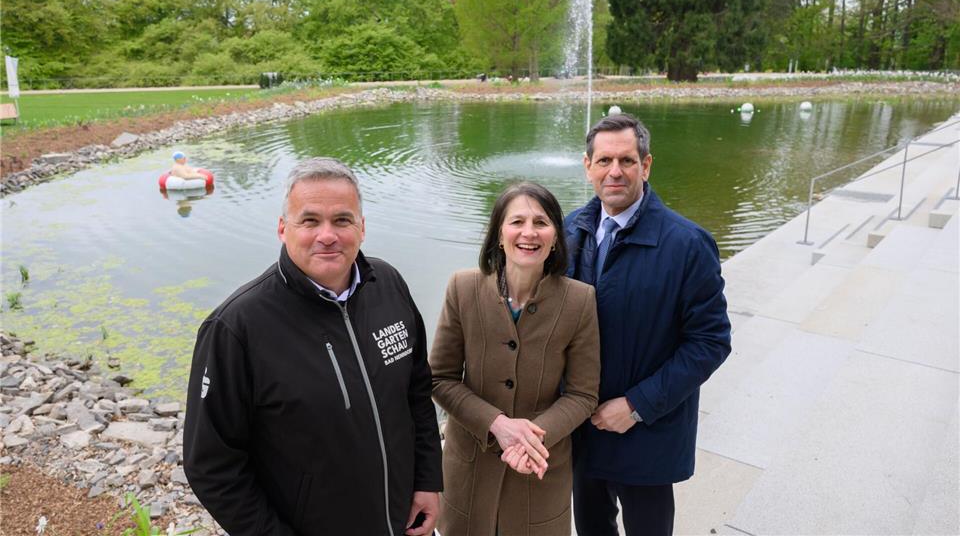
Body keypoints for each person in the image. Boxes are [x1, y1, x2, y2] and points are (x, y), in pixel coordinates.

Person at [183, 157, 442, 536]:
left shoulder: (388, 285)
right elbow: (211, 465)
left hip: (404, 521)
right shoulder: (237, 327)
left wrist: (427, 479)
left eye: (342, 220)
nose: (327, 235)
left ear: (362, 227)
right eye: (310, 221)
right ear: (282, 228)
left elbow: (417, 391)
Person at [565, 113, 732, 536]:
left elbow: (710, 342)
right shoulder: (568, 231)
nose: (615, 171)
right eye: (603, 161)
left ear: (646, 165)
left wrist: (637, 406)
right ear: (588, 167)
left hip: (647, 434)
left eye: (626, 160)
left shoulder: (687, 244)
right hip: (582, 431)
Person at [430, 182, 600, 535]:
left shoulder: (580, 300)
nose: (529, 232)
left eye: (541, 222)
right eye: (516, 221)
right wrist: (498, 425)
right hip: (468, 472)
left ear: (556, 236)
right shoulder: (462, 288)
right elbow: (439, 379)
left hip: (539, 470)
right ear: (498, 234)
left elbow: (583, 394)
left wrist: (533, 438)